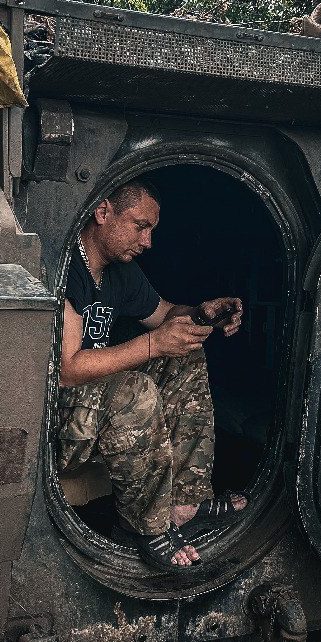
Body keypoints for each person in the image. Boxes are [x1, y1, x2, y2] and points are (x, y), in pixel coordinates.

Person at [57, 178, 247, 571]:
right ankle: (146, 526)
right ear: (103, 212)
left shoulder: (119, 271)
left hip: (90, 407)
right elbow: (68, 371)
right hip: (56, 419)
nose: (147, 242)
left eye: (151, 230)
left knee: (185, 356)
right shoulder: (68, 267)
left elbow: (164, 315)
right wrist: (153, 345)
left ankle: (184, 503)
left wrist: (201, 314)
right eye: (140, 226)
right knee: (134, 388)